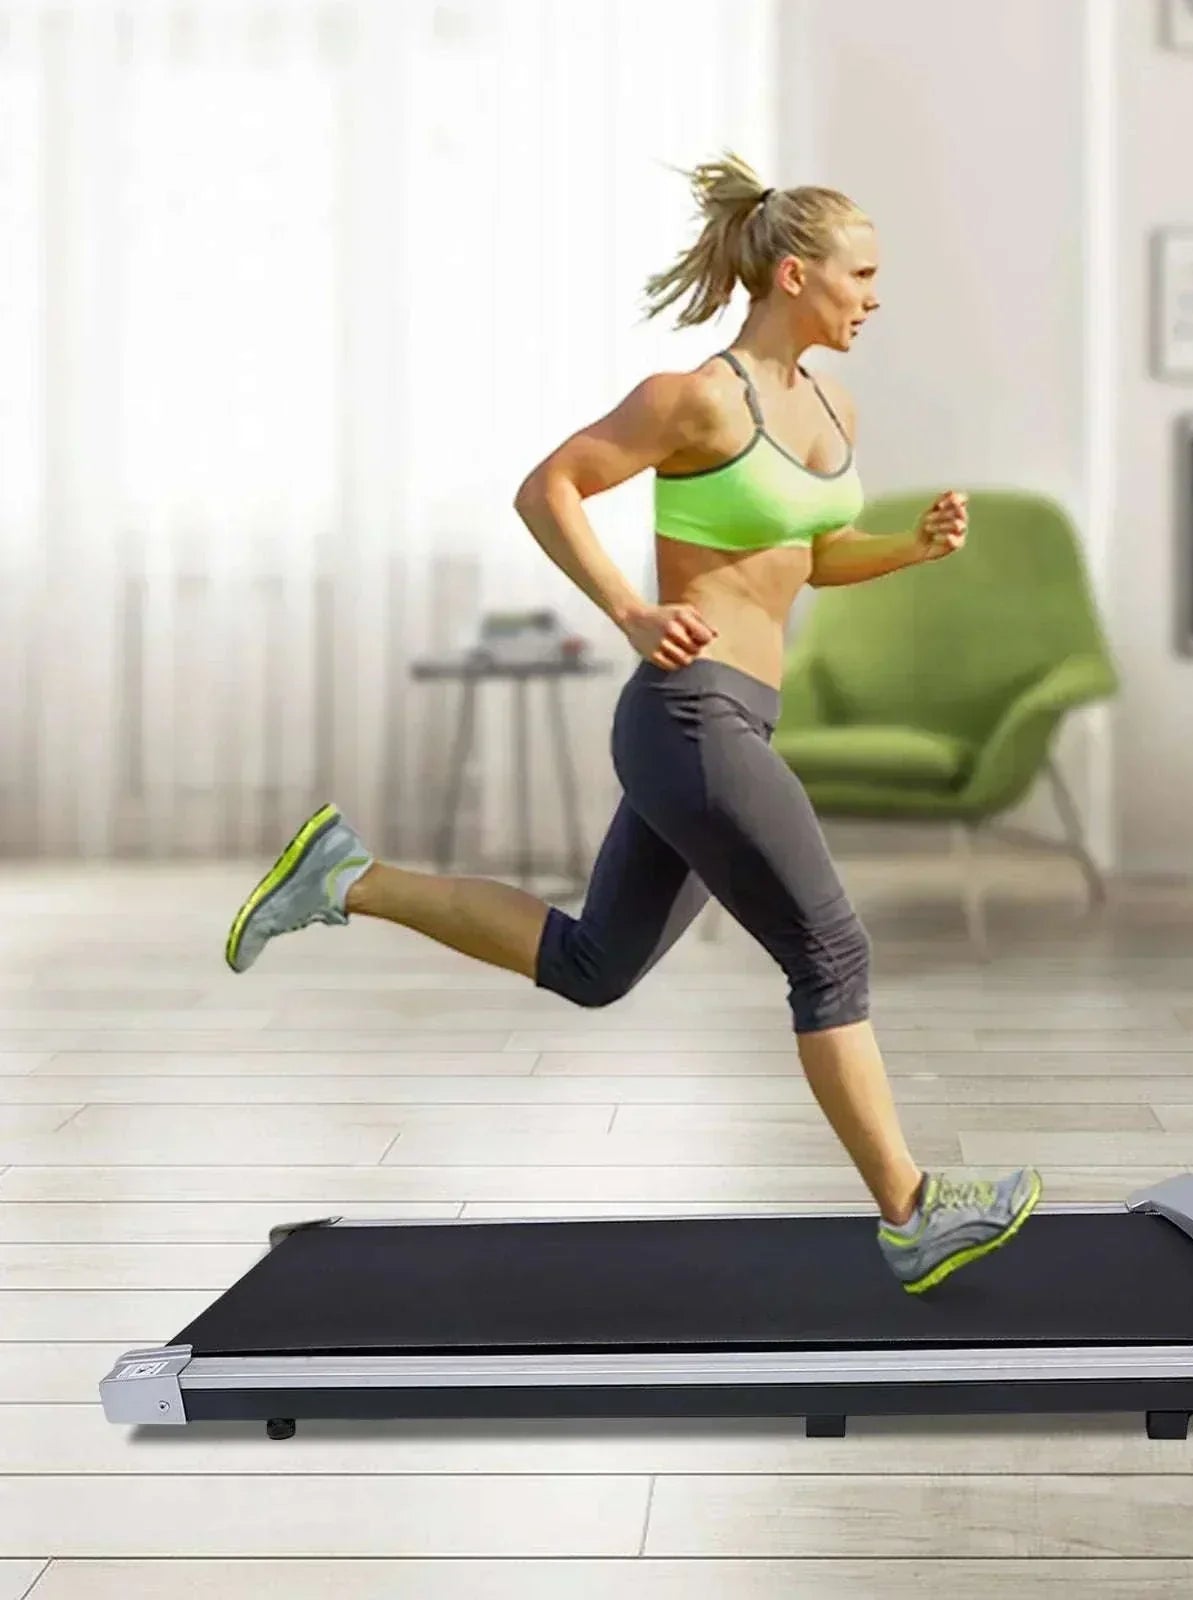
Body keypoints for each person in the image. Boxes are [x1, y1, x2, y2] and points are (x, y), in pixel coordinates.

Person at [223, 150, 1042, 1295]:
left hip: (736, 724)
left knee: (595, 964)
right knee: (830, 953)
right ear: (796, 274)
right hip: (686, 717)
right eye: (863, 274)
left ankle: (343, 876)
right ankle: (911, 1212)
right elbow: (546, 485)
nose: (876, 295)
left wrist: (907, 547)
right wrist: (627, 607)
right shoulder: (695, 397)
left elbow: (800, 560)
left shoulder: (830, 404)